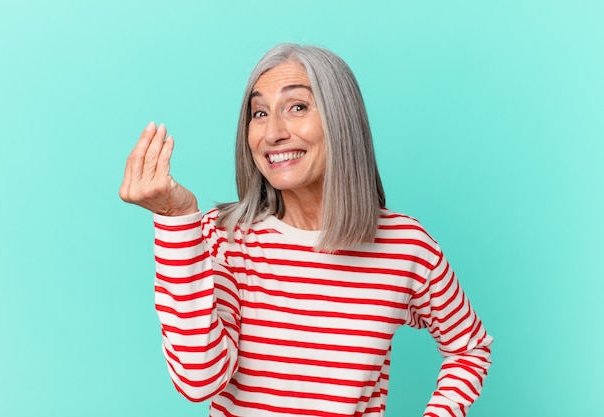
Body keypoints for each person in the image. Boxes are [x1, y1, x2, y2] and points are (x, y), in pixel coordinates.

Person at [119, 43, 493, 417]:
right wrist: (176, 221)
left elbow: (470, 348)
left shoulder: (405, 246)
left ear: (341, 119)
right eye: (259, 112)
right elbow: (199, 380)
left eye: (297, 107)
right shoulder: (224, 238)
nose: (273, 133)